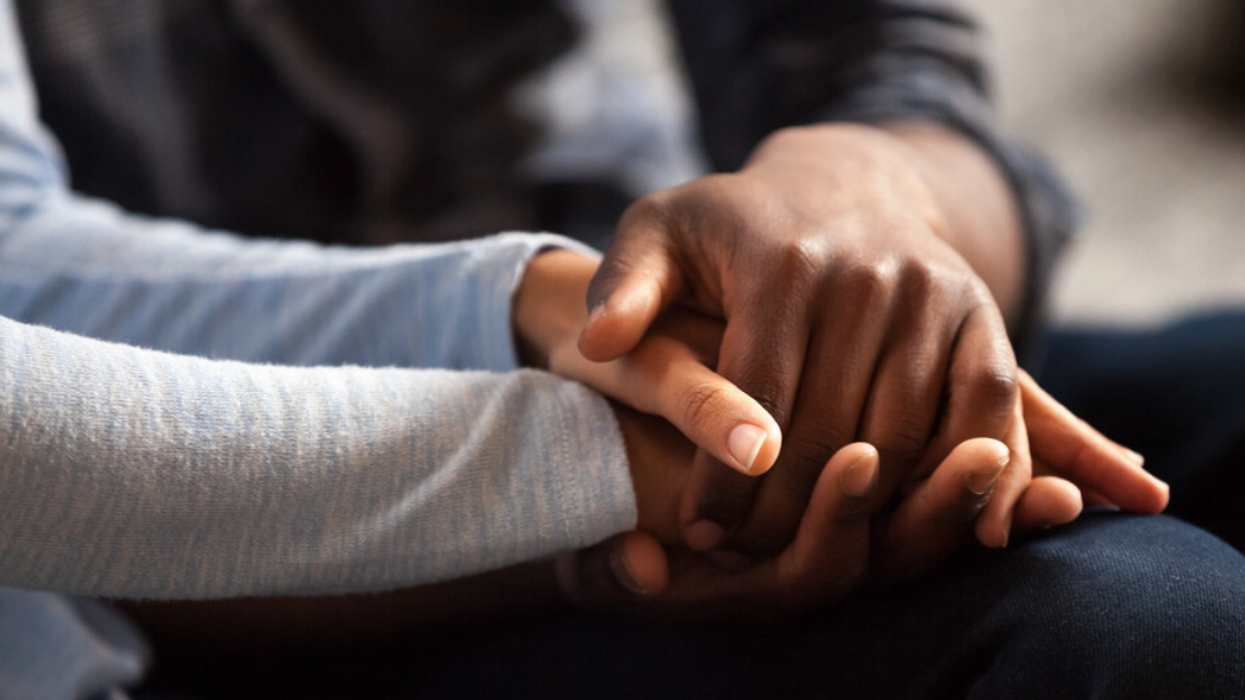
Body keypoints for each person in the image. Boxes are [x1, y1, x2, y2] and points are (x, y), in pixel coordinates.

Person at [1, 1, 1243, 699]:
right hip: (217, 530)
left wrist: (869, 196)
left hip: (664, 346)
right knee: (1139, 628)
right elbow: (25, 295)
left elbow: (880, 65)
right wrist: (617, 458)